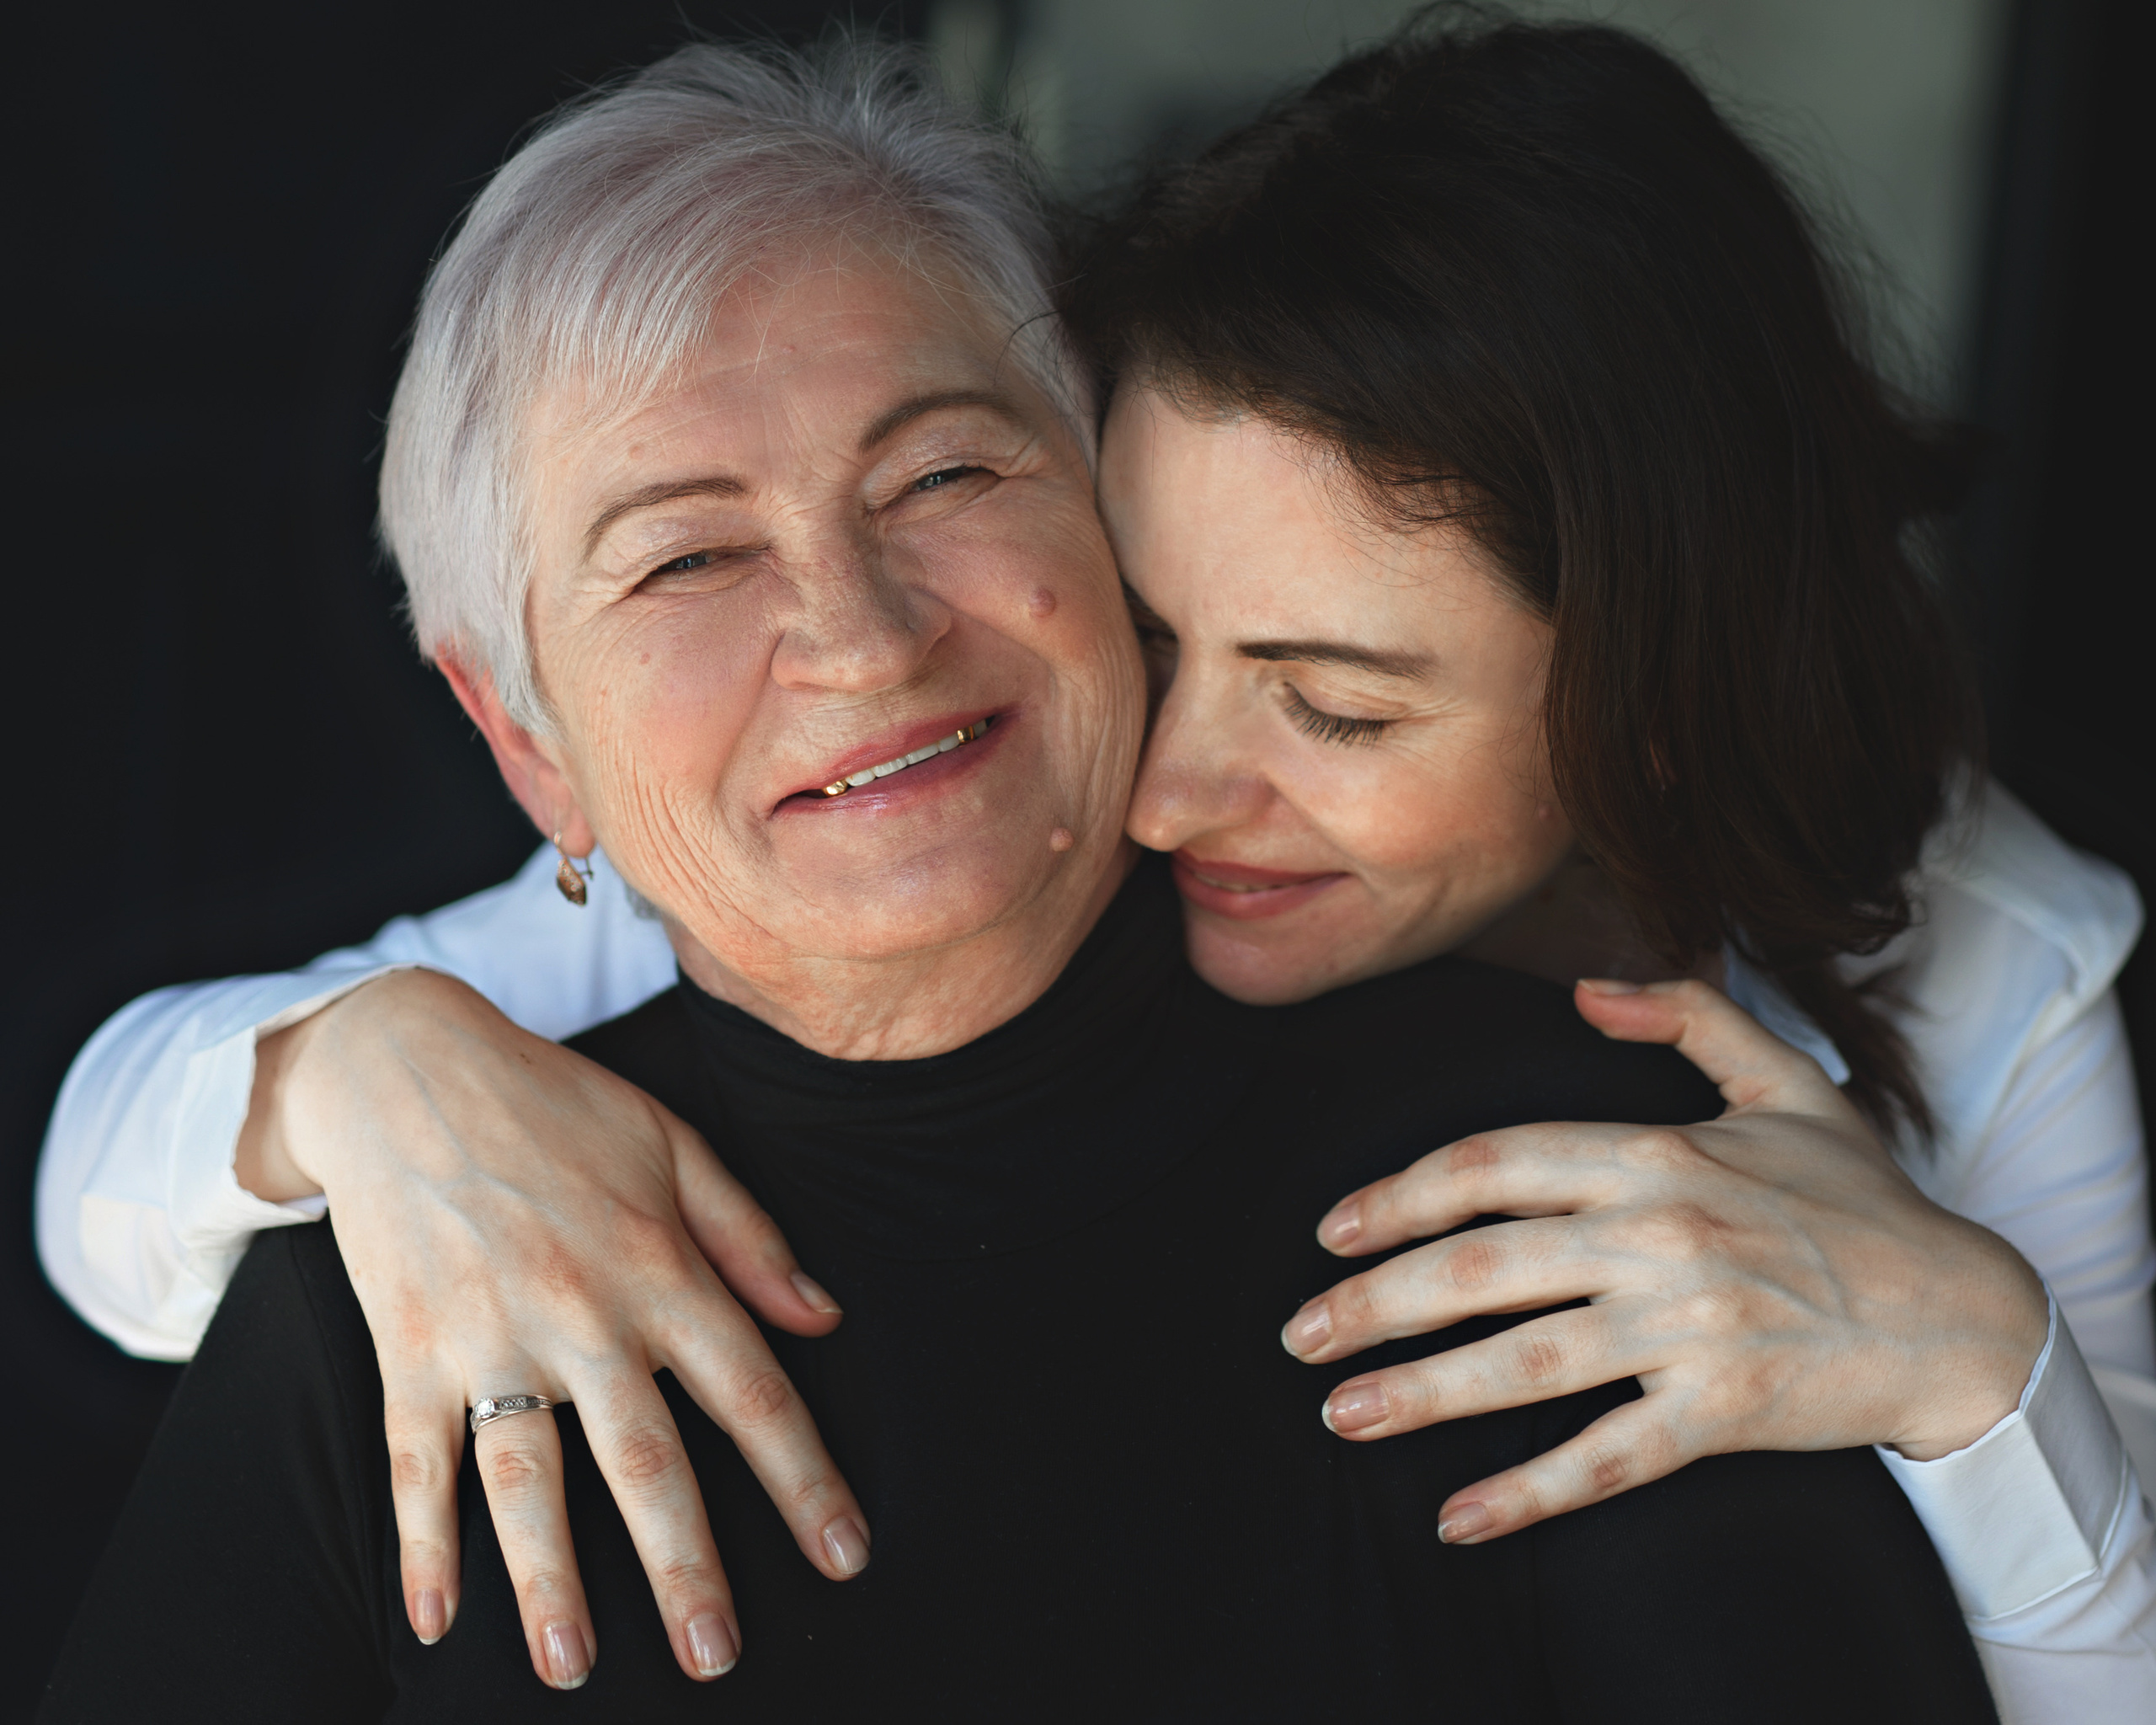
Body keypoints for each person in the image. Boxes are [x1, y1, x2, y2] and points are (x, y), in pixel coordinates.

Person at [33, 9, 2149, 1717]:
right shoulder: (458, 1158)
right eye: (681, 555)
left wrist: (1981, 1360)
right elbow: (101, 1185)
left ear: (1637, 712)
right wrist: (347, 1075)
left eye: (945, 469)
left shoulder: (1871, 1048)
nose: (862, 641)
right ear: (521, 737)